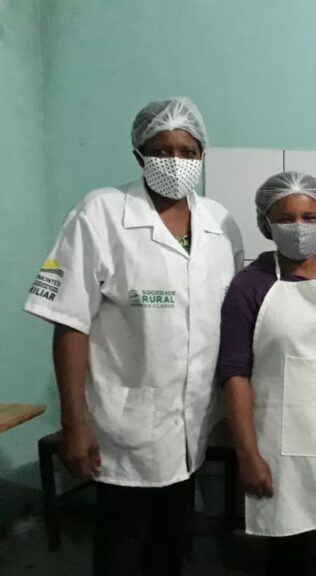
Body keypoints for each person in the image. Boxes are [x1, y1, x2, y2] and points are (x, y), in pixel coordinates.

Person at [24, 97, 244, 575]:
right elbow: (70, 323)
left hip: (191, 423)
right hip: (123, 424)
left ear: (202, 155)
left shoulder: (220, 225)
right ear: (138, 155)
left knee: (172, 539)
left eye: (187, 151)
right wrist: (74, 424)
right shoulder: (101, 213)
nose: (176, 161)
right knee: (123, 543)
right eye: (162, 150)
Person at [216, 171, 316, 575]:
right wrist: (248, 455)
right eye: (286, 218)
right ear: (266, 223)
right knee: (288, 561)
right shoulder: (249, 286)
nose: (299, 227)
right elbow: (234, 373)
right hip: (279, 454)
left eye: (309, 217)